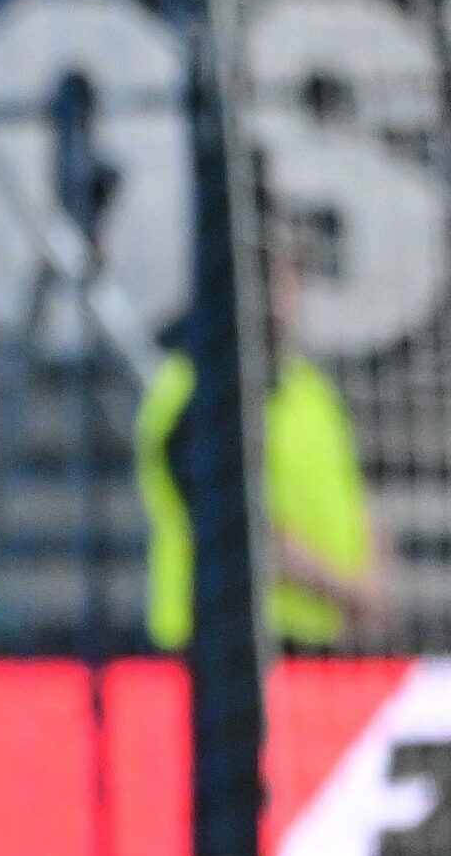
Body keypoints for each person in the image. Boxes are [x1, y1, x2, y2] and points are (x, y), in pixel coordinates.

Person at [137, 231, 390, 652]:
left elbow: (355, 498)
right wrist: (349, 591)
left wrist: (372, 581)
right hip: (214, 643)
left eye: (291, 276)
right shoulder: (187, 390)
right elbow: (234, 525)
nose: (287, 293)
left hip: (318, 642)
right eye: (272, 276)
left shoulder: (310, 388)